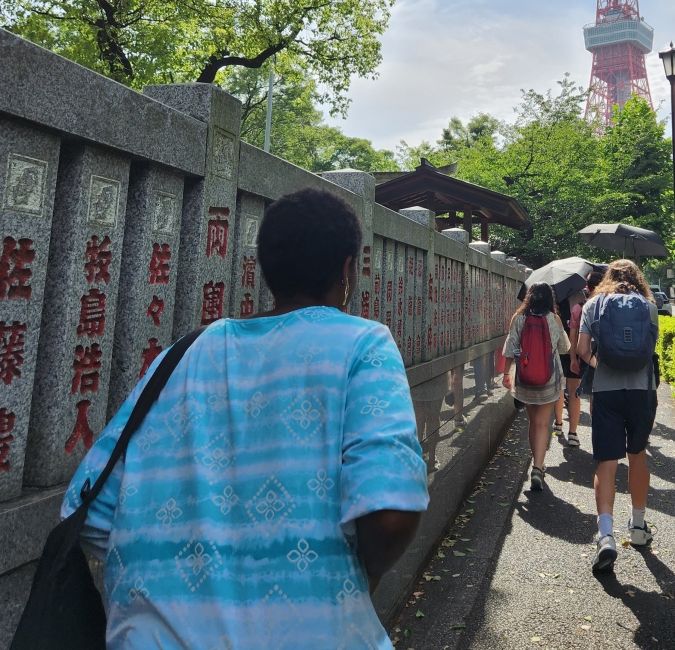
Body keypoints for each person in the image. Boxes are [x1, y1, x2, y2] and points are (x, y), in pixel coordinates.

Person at [61, 188, 429, 648]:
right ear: (348, 269)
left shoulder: (182, 354)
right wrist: (352, 576)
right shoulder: (363, 345)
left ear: (263, 268)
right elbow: (391, 510)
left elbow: (90, 513)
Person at [577, 259, 658, 573]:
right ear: (638, 279)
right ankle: (638, 527)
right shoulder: (649, 306)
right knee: (638, 455)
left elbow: (582, 349)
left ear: (607, 277)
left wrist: (603, 367)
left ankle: (606, 535)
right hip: (642, 391)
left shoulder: (594, 305)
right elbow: (649, 349)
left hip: (606, 391)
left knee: (607, 462)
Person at [502, 283, 570, 491]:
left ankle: (535, 462)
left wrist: (506, 374)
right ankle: (538, 468)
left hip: (525, 378)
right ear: (550, 300)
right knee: (543, 424)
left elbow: (510, 347)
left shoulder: (519, 318)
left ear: (529, 297)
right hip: (549, 379)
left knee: (533, 423)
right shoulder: (554, 319)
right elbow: (564, 348)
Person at [553, 290, 586, 447]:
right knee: (574, 392)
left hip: (558, 349)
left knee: (559, 389)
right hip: (576, 348)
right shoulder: (580, 296)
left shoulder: (553, 295)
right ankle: (573, 433)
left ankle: (558, 423)